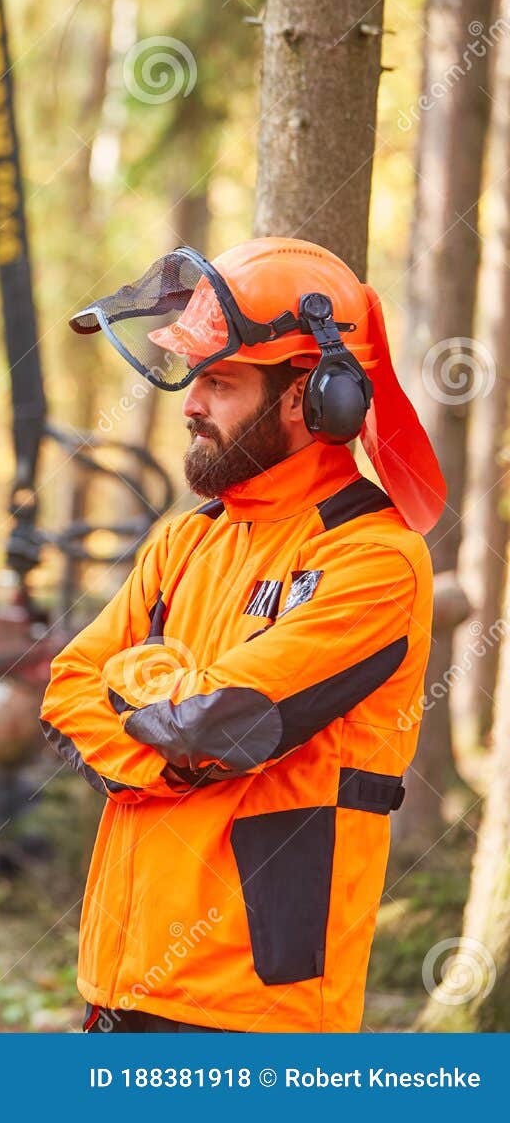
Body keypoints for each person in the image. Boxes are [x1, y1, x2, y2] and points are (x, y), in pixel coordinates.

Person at [43, 237, 446, 1033]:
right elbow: (66, 689)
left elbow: (215, 725)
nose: (191, 403)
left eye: (220, 381)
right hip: (118, 989)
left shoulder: (373, 560)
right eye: (195, 378)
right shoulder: (186, 540)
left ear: (312, 398)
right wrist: (164, 735)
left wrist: (143, 697)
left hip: (255, 1012)